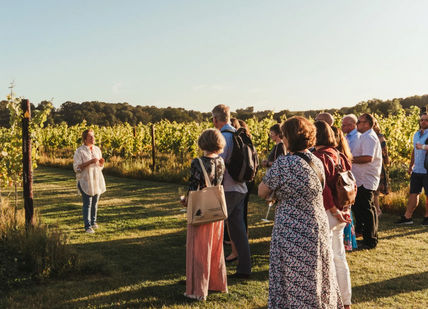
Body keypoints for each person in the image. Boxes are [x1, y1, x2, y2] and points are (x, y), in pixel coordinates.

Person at [258, 116, 343, 308]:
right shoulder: (316, 160)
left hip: (291, 228)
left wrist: (276, 193)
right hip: (316, 224)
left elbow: (262, 191)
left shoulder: (283, 164)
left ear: (287, 138)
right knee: (317, 271)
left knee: (293, 276)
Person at [182, 128, 228, 300]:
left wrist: (186, 200)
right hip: (215, 209)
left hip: (201, 211)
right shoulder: (221, 162)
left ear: (203, 142)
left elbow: (194, 187)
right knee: (215, 248)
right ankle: (216, 283)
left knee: (199, 249)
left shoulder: (198, 162)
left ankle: (198, 289)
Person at [313, 121, 352, 309]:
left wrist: (335, 210)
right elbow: (349, 183)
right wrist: (345, 209)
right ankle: (345, 300)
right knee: (339, 257)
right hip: (341, 210)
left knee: (327, 258)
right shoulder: (339, 155)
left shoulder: (317, 157)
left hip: (329, 211)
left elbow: (323, 189)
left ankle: (330, 300)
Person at [212, 104, 251, 278]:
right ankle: (244, 268)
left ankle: (212, 270)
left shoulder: (223, 138)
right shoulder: (239, 134)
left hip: (226, 189)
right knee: (238, 230)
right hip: (241, 187)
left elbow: (217, 166)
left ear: (215, 119)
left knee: (213, 228)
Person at [351, 113, 383, 249]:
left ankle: (370, 240)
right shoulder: (365, 136)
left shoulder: (369, 137)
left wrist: (350, 159)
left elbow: (367, 158)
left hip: (365, 178)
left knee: (366, 209)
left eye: (359, 121)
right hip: (362, 178)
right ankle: (368, 237)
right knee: (365, 208)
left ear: (368, 124)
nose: (357, 124)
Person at [396, 112, 428, 225]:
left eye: (426, 120)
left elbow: (420, 147)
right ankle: (407, 217)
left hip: (427, 169)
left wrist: (423, 147)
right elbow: (414, 150)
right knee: (413, 193)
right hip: (417, 169)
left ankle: (427, 217)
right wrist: (411, 165)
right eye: (421, 120)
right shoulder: (416, 134)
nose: (423, 122)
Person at [73, 129, 106, 233]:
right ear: (85, 139)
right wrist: (90, 161)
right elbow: (76, 168)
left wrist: (101, 163)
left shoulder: (97, 149)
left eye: (93, 136)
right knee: (87, 203)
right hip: (85, 180)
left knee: (95, 202)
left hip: (96, 179)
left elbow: (100, 167)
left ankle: (93, 222)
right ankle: (87, 226)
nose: (93, 138)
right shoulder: (80, 151)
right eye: (90, 137)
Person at [332, 126, 358, 251]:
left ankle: (343, 244)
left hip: (338, 192)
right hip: (346, 193)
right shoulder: (344, 154)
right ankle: (347, 243)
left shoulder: (334, 155)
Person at [373, 119, 390, 216]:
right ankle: (377, 210)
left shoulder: (380, 137)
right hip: (372, 164)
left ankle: (378, 210)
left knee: (376, 189)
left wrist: (386, 160)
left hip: (378, 165)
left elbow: (384, 151)